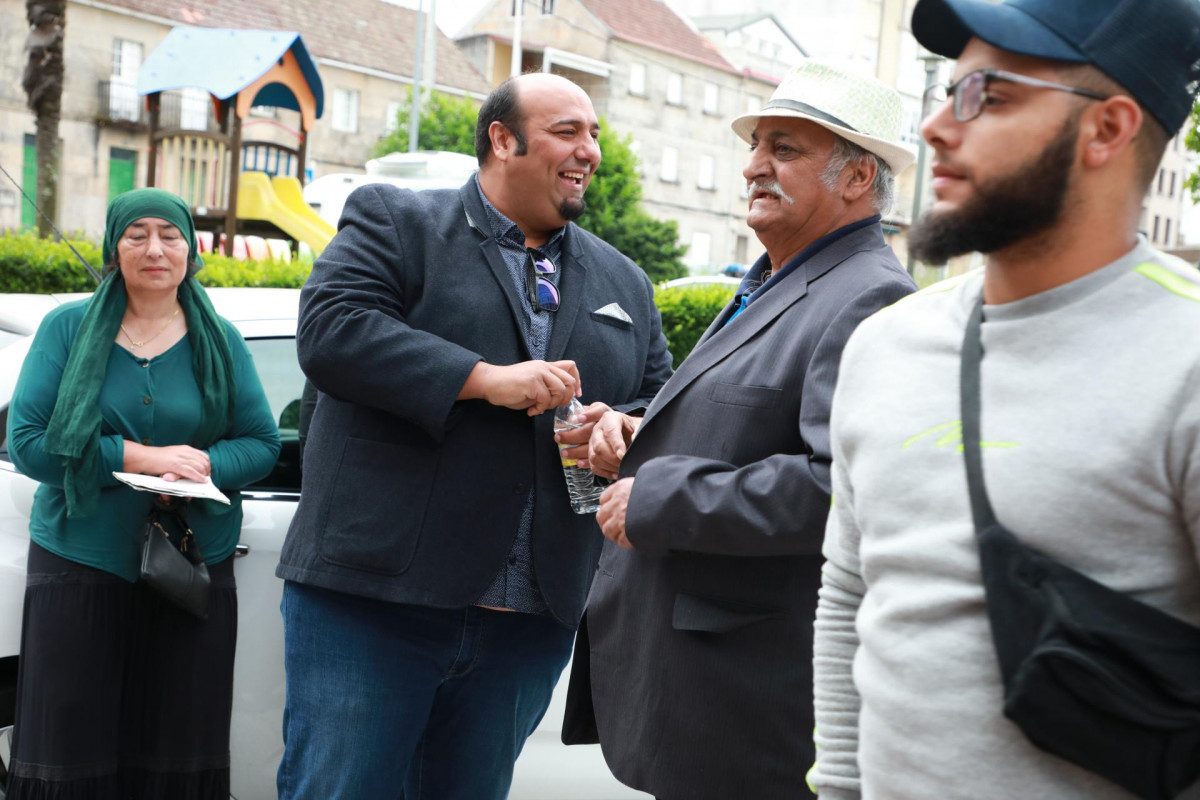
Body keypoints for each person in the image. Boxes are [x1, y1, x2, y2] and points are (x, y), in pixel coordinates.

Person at [811, 0, 1200, 798]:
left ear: (1109, 129)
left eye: (988, 95)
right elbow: (852, 593)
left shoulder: (1186, 356)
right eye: (948, 91)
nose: (935, 129)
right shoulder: (884, 345)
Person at [274, 72, 673, 800]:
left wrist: (626, 428)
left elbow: (661, 405)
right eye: (568, 132)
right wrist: (484, 378)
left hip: (529, 621)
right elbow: (332, 332)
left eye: (594, 136)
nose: (590, 151)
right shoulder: (397, 220)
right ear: (501, 139)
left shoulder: (626, 281)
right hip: (376, 601)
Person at [561, 60, 917, 800]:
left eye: (784, 149)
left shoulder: (869, 295)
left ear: (858, 180)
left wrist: (657, 495)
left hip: (747, 700)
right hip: (698, 685)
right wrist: (635, 435)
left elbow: (839, 487)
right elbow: (745, 424)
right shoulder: (776, 278)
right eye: (756, 146)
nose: (753, 165)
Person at [4, 187, 281, 798]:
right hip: (81, 561)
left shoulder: (221, 338)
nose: (154, 248)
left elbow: (262, 445)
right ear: (114, 246)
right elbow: (27, 442)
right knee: (71, 740)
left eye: (169, 235)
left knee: (178, 741)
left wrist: (200, 465)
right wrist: (137, 456)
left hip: (190, 567)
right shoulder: (68, 328)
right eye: (136, 235)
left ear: (191, 249)